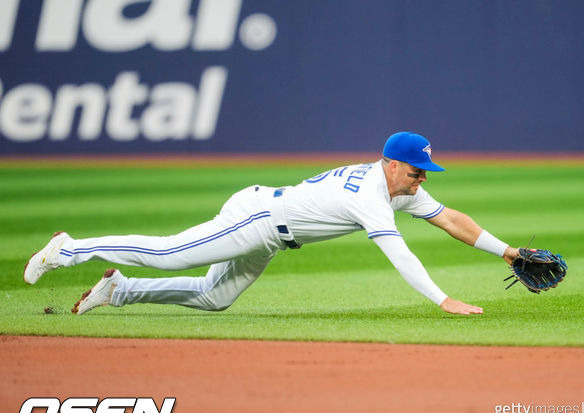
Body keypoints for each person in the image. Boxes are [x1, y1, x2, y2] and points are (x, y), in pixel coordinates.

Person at [24, 132, 520, 316]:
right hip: (257, 217)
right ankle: (68, 248)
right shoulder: (373, 194)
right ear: (391, 164)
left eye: (424, 174)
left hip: (273, 233)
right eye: (416, 172)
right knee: (168, 252)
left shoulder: (400, 189)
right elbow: (400, 255)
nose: (421, 181)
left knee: (213, 298)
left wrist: (509, 253)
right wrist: (443, 299)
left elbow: (451, 219)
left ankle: (120, 292)